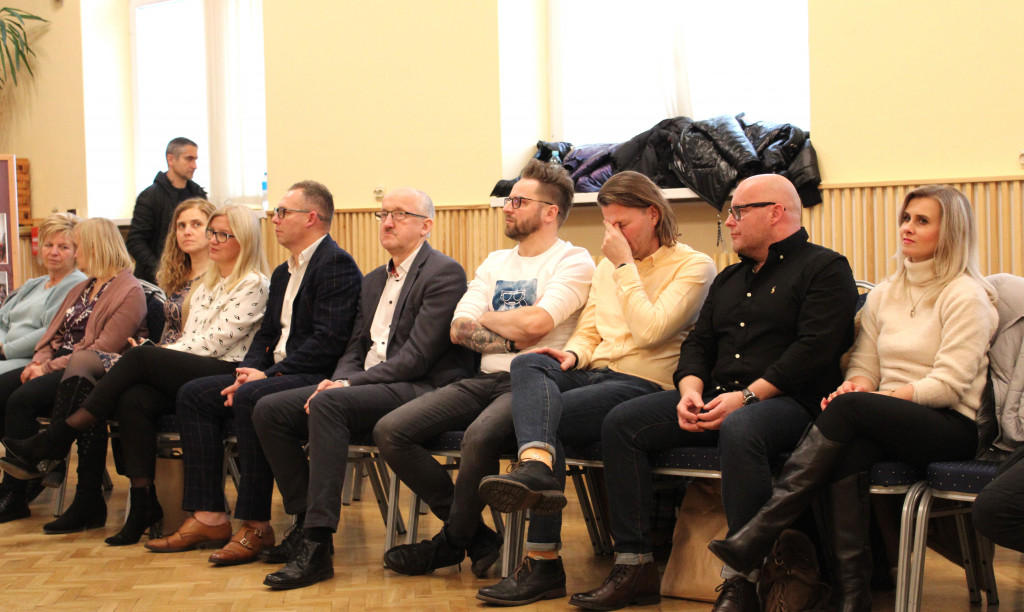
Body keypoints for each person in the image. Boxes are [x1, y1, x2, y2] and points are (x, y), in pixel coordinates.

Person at [568, 174, 859, 612]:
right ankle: (635, 566)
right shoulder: (730, 278)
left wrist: (748, 397)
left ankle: (743, 579)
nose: (729, 221)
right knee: (624, 423)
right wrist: (689, 390)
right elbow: (698, 345)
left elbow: (814, 351)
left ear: (776, 212)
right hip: (717, 397)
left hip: (789, 403)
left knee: (742, 427)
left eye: (739, 211)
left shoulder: (825, 268)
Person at [707, 184, 998, 612]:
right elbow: (863, 364)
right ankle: (852, 595)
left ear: (951, 232)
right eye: (906, 218)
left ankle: (758, 534)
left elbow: (948, 385)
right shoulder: (885, 294)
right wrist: (857, 386)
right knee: (845, 452)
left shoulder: (966, 295)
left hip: (950, 424)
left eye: (922, 221)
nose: (907, 227)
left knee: (849, 413)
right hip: (884, 418)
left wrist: (872, 401)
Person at [475, 170, 717, 606]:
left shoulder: (693, 265)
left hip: (646, 382)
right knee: (530, 362)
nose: (613, 235)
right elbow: (589, 331)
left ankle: (543, 562)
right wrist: (572, 355)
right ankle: (536, 464)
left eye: (622, 224)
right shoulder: (607, 267)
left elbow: (650, 330)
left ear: (654, 215)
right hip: (597, 372)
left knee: (547, 420)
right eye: (608, 224)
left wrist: (624, 266)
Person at [2, 204, 269, 547]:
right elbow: (192, 337)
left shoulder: (254, 283)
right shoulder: (208, 284)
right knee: (134, 399)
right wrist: (158, 352)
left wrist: (157, 353)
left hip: (229, 369)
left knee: (138, 358)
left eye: (222, 234)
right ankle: (143, 504)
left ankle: (60, 435)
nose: (212, 239)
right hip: (195, 363)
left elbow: (216, 342)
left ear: (244, 240)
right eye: (212, 232)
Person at [376, 160, 594, 580]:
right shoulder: (495, 261)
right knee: (391, 431)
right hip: (483, 379)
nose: (507, 207)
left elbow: (538, 325)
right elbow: (458, 328)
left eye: (518, 201)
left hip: (532, 385)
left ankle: (450, 542)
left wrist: (491, 318)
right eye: (508, 200)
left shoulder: (574, 260)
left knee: (478, 437)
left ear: (550, 211)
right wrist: (514, 335)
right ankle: (476, 537)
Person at [251, 188, 474, 589]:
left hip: (419, 387)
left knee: (329, 405)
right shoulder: (373, 281)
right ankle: (303, 521)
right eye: (383, 214)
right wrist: (340, 378)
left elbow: (417, 358)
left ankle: (318, 545)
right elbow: (354, 347)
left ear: (426, 226)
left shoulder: (444, 273)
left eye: (400, 214)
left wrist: (346, 384)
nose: (387, 222)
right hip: (367, 386)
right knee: (270, 409)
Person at [143, 180, 362, 566]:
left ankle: (256, 524)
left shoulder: (335, 264)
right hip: (278, 371)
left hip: (314, 374)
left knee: (249, 396)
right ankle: (209, 515)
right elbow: (267, 335)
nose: (274, 219)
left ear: (311, 218)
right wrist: (250, 371)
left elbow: (328, 342)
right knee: (195, 395)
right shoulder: (283, 272)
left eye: (283, 212)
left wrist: (270, 375)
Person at [0, 218, 147, 529]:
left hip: (93, 371)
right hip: (59, 363)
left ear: (96, 248)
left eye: (77, 247)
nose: (75, 254)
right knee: (3, 388)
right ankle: (26, 477)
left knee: (22, 399)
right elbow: (52, 336)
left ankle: (19, 489)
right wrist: (39, 361)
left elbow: (103, 348)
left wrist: (46, 368)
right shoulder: (84, 286)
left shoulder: (129, 290)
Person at [0, 214, 87, 375]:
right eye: (48, 245)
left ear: (76, 252)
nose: (54, 252)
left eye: (63, 247)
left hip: (32, 359)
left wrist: (5, 350)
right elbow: (2, 320)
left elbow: (49, 332)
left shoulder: (76, 283)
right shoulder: (34, 283)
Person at [127, 137, 207, 283]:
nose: (194, 165)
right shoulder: (150, 196)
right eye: (189, 159)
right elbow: (135, 241)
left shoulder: (198, 195)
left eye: (195, 159)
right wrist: (160, 270)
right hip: (155, 279)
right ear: (171, 159)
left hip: (191, 276)